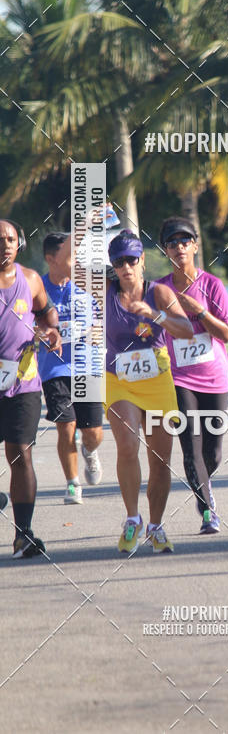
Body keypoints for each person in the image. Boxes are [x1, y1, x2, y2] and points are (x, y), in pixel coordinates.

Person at [59, 228, 193, 553]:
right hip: (118, 379)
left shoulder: (158, 293)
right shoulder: (103, 291)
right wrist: (85, 226)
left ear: (143, 260)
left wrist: (156, 315)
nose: (126, 267)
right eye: (119, 262)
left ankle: (156, 526)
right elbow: (65, 265)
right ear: (113, 266)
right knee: (128, 445)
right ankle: (132, 519)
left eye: (132, 259)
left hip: (157, 379)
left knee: (160, 460)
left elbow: (187, 330)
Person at [157, 217, 228, 534]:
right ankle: (208, 512)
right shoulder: (160, 290)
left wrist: (199, 311)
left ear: (195, 245)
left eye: (185, 241)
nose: (179, 247)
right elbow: (153, 331)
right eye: (172, 243)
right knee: (191, 445)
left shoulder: (212, 285)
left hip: (214, 377)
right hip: (178, 379)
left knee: (212, 453)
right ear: (165, 250)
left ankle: (203, 485)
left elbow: (227, 333)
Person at [0, 219, 62, 558]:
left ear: (19, 243)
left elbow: (48, 317)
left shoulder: (31, 279)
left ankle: (23, 534)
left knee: (20, 454)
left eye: (11, 239)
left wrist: (51, 332)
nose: (6, 244)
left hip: (22, 383)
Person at [38, 232, 103, 504]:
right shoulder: (37, 289)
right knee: (66, 426)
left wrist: (99, 329)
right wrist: (38, 332)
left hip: (87, 366)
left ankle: (90, 452)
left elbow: (101, 319)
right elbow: (23, 323)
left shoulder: (88, 287)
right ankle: (72, 483)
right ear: (51, 259)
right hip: (54, 369)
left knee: (93, 433)